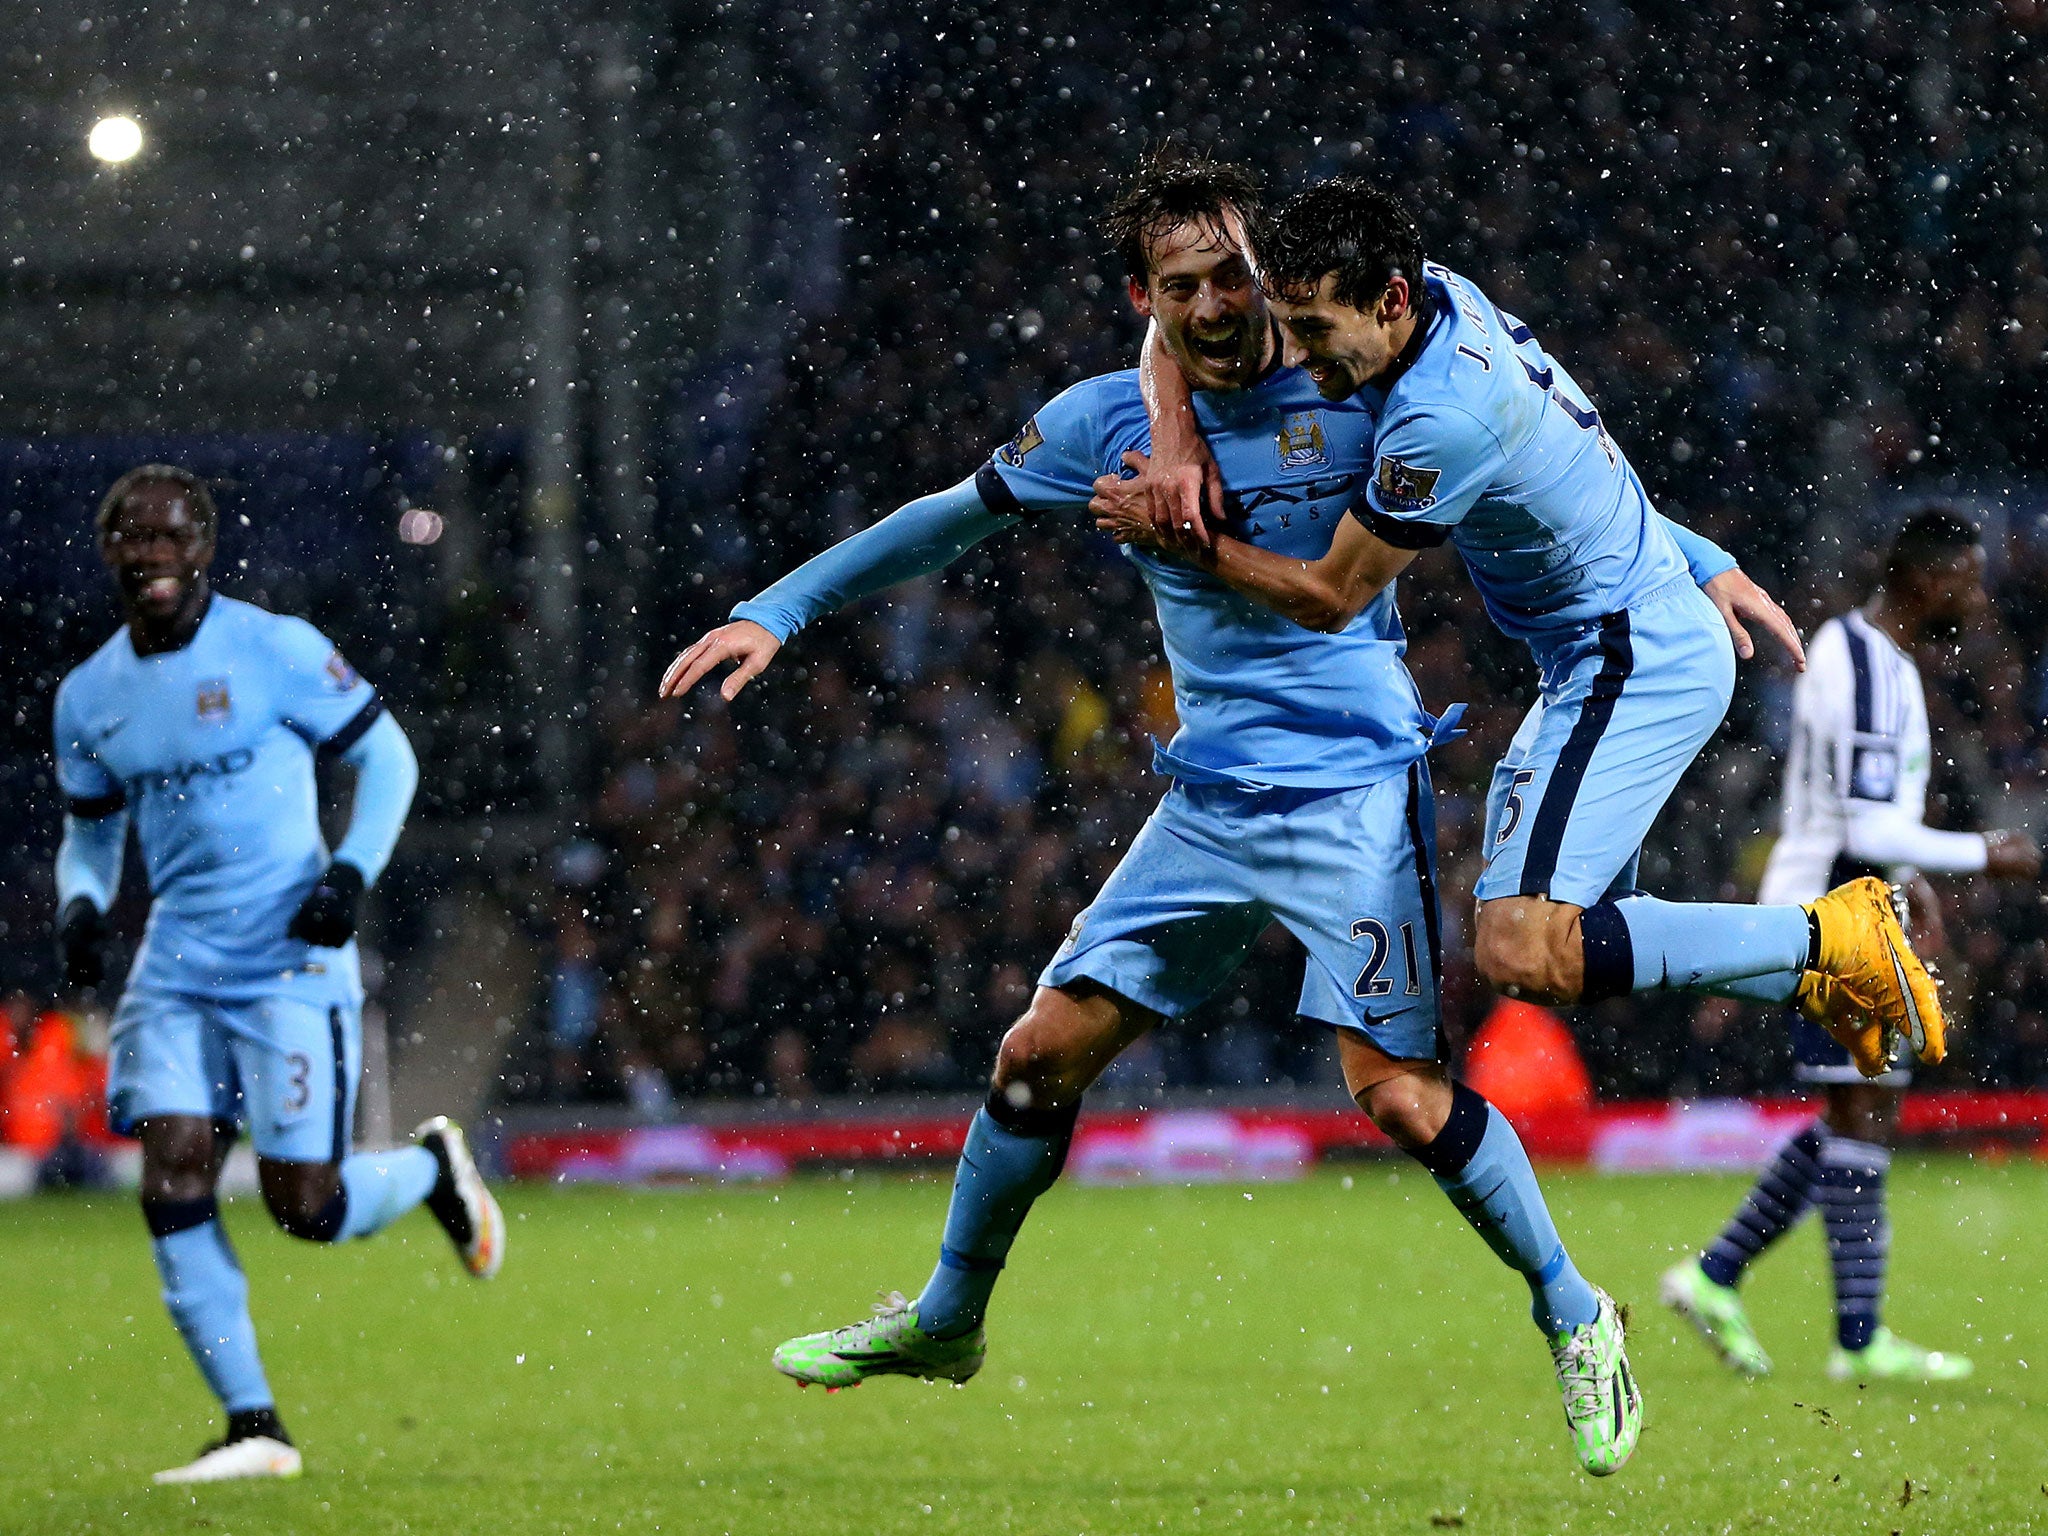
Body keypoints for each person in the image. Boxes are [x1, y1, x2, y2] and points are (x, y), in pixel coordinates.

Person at [662, 154, 1643, 1477]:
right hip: (1208, 800)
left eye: (1234, 273)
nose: (1217, 303)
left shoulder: (1360, 388)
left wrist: (1697, 565)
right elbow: (947, 523)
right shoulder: (1101, 427)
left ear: (1271, 273)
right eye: (1180, 286)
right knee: (1033, 1057)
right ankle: (947, 1321)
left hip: (1356, 789)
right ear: (1146, 296)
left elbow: (1549, 460)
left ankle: (1577, 1313)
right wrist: (776, 609)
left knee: (1403, 1101)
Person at [1105, 175, 1944, 1076]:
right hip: (1608, 641)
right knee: (1564, 948)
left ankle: (1833, 935)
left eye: (1314, 334)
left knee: (1518, 946)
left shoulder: (1441, 419)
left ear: (1389, 301)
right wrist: (1176, 431)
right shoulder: (1420, 286)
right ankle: (1815, 974)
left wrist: (1188, 546)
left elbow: (1330, 598)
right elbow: (1175, 323)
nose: (1301, 360)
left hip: (1630, 655)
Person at [51, 465, 505, 1484]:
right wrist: (81, 904)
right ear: (112, 552)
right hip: (175, 965)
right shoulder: (89, 696)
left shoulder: (273, 649)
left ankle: (432, 1170)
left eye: (171, 537)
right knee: (172, 1169)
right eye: (134, 538)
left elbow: (388, 759)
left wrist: (349, 874)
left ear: (203, 547)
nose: (152, 555)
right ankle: (254, 1423)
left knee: (308, 1206)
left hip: (290, 962)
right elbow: (88, 836)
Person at [1661, 508, 2040, 1381]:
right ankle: (1853, 1339)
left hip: (1852, 908)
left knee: (1855, 1113)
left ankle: (1722, 1278)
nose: (1976, 598)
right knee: (1863, 1114)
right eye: (1965, 578)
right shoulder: (1865, 665)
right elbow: (1868, 821)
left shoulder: (1876, 658)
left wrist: (1914, 884)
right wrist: (1990, 854)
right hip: (1833, 922)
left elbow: (1868, 820)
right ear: (1923, 576)